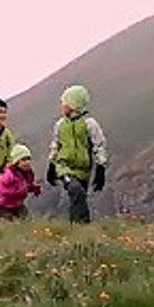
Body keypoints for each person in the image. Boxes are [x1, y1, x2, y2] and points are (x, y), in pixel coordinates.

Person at [46, 85, 109, 224]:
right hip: (64, 166)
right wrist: (51, 165)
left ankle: (75, 227)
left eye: (65, 102)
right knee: (76, 190)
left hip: (84, 170)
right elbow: (55, 145)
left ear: (74, 104)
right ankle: (84, 224)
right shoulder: (60, 125)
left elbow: (99, 145)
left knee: (79, 197)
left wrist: (101, 168)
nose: (62, 105)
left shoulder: (89, 124)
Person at [0, 144, 42, 220]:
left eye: (28, 159)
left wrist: (33, 188)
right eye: (23, 160)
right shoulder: (9, 174)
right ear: (16, 162)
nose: (27, 162)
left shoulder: (27, 174)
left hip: (18, 204)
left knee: (26, 221)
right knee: (10, 223)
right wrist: (14, 192)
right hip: (5, 206)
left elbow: (25, 185)